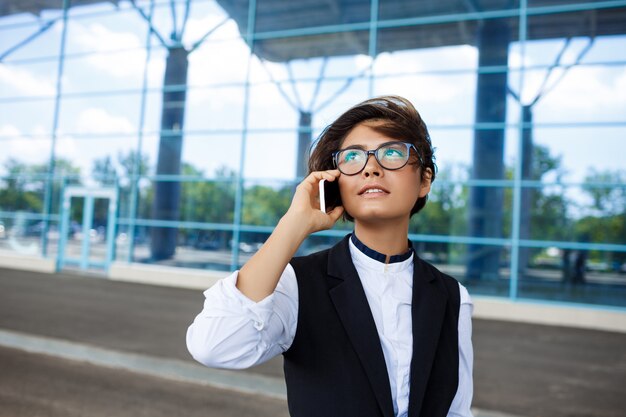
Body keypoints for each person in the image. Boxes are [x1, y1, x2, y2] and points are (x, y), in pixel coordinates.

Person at [186, 95, 474, 417]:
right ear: (334, 183)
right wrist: (293, 225)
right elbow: (214, 346)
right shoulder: (297, 284)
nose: (372, 169)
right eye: (353, 157)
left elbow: (456, 410)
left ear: (425, 180)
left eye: (392, 152)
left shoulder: (452, 296)